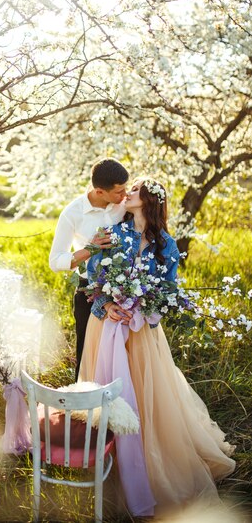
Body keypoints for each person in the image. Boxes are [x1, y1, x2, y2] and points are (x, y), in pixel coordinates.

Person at [79, 178, 236, 517]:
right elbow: (92, 276)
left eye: (134, 191)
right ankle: (106, 467)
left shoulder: (165, 244)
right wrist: (107, 304)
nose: (127, 195)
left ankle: (150, 465)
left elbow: (168, 289)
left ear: (149, 201)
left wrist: (145, 307)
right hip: (106, 326)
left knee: (145, 398)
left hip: (142, 335)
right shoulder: (112, 232)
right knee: (109, 392)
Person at [49, 158, 129, 380]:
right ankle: (83, 406)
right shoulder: (72, 213)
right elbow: (55, 261)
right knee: (87, 355)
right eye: (119, 192)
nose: (125, 196)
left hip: (127, 290)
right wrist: (91, 248)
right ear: (99, 192)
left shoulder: (124, 205)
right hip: (89, 291)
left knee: (122, 356)